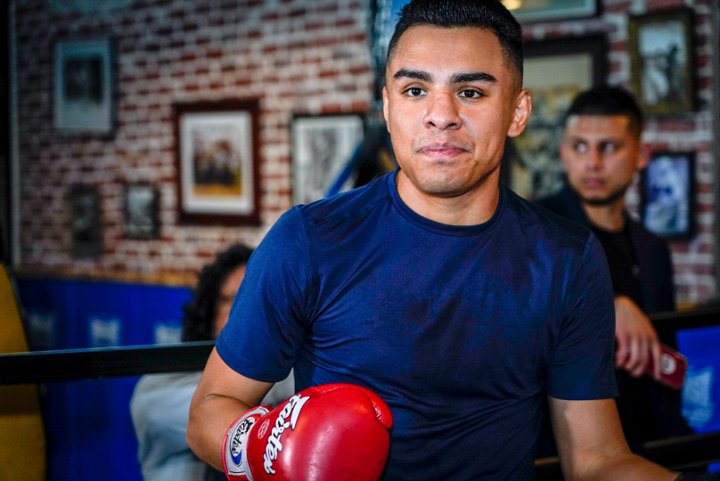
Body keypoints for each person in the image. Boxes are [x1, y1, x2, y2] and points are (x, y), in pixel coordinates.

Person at [186, 1, 685, 479]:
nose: (440, 114)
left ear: (517, 112)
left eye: (471, 92)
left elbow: (596, 460)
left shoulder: (567, 258)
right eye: (415, 90)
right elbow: (209, 411)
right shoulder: (309, 240)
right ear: (388, 106)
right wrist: (268, 450)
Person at [535, 86, 694, 446]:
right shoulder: (534, 227)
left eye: (608, 147)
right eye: (579, 146)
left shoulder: (652, 248)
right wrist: (607, 306)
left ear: (641, 155)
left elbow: (661, 358)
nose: (592, 162)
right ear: (563, 153)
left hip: (645, 441)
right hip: (560, 447)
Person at [130, 243, 294, 481]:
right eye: (236, 299)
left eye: (259, 301)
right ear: (211, 308)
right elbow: (201, 413)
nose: (250, 312)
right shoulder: (161, 384)